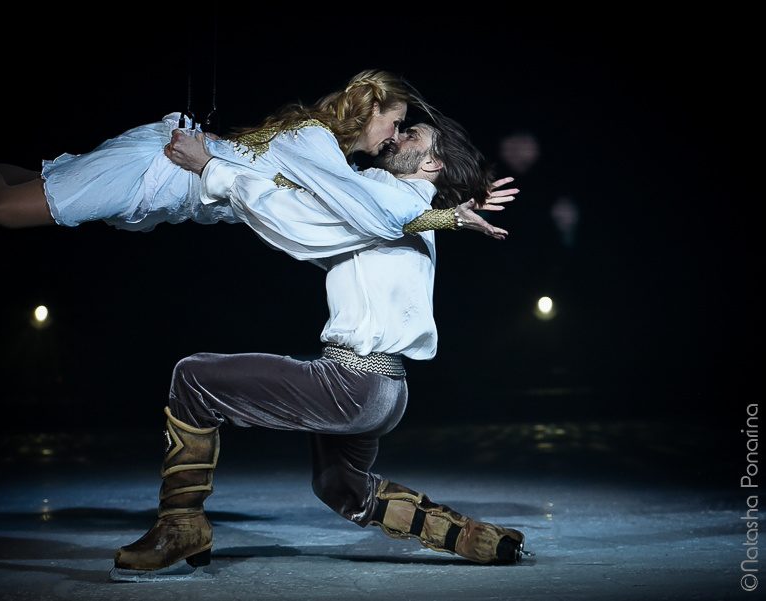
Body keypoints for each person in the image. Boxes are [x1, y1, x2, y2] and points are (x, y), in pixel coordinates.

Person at [109, 116, 525, 581]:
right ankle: (470, 537)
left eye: (413, 135)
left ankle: (181, 525)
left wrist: (211, 166)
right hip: (384, 390)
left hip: (353, 383)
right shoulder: (391, 207)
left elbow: (295, 213)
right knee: (338, 486)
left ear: (431, 161)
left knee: (193, 376)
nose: (398, 134)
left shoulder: (388, 197)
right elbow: (312, 225)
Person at [0, 70, 490, 241]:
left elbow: (372, 202)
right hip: (160, 168)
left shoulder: (327, 154)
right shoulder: (317, 144)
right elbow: (373, 216)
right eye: (396, 122)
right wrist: (442, 216)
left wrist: (453, 210)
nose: (395, 136)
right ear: (370, 110)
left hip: (167, 184)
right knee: (6, 209)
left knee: (41, 179)